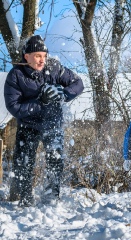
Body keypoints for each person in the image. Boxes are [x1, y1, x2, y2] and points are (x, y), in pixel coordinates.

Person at [4, 35, 84, 207]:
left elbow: (78, 83)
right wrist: (40, 102)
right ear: (27, 56)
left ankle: (51, 199)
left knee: (56, 161)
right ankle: (25, 200)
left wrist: (63, 94)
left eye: (44, 55)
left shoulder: (54, 67)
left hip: (52, 124)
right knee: (23, 163)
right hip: (28, 126)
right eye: (38, 56)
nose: (42, 60)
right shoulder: (16, 75)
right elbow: (14, 107)